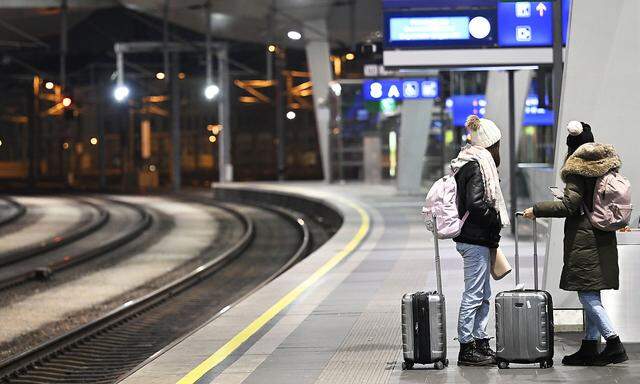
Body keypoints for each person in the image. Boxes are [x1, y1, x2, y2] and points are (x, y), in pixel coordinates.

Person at [523, 121, 628, 366]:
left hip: (584, 239)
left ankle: (614, 344)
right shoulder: (606, 167)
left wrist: (536, 209)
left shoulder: (577, 169)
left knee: (587, 296)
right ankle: (590, 346)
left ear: (572, 148)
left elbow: (569, 205)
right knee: (593, 292)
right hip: (602, 236)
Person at [452, 115, 509, 366]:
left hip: (478, 238)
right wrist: (494, 219)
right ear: (491, 144)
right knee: (474, 294)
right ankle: (466, 347)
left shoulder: (473, 162)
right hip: (474, 238)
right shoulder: (476, 166)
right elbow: (475, 204)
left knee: (483, 293)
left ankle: (481, 341)